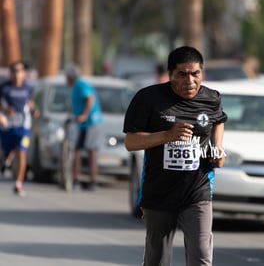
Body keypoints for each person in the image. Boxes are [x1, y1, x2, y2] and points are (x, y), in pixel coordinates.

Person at [123, 46, 227, 266]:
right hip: (159, 190)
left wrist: (217, 149)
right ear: (170, 74)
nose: (189, 80)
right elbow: (131, 142)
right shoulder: (148, 98)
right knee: (157, 259)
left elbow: (218, 120)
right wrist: (167, 135)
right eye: (182, 74)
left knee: (201, 257)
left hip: (197, 190)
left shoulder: (211, 99)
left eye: (195, 73)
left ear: (202, 73)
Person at [0, 60, 37, 196]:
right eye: (14, 71)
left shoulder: (28, 89)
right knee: (8, 152)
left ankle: (18, 183)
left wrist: (34, 110)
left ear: (24, 73)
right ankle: (6, 161)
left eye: (20, 71)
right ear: (10, 73)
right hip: (7, 126)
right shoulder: (4, 88)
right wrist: (5, 109)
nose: (17, 74)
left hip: (23, 126)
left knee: (22, 151)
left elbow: (31, 104)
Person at [65, 64, 103, 191]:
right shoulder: (76, 86)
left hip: (91, 122)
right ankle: (76, 179)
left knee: (91, 151)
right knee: (76, 150)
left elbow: (89, 98)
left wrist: (84, 115)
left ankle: (93, 181)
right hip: (83, 124)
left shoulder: (80, 85)